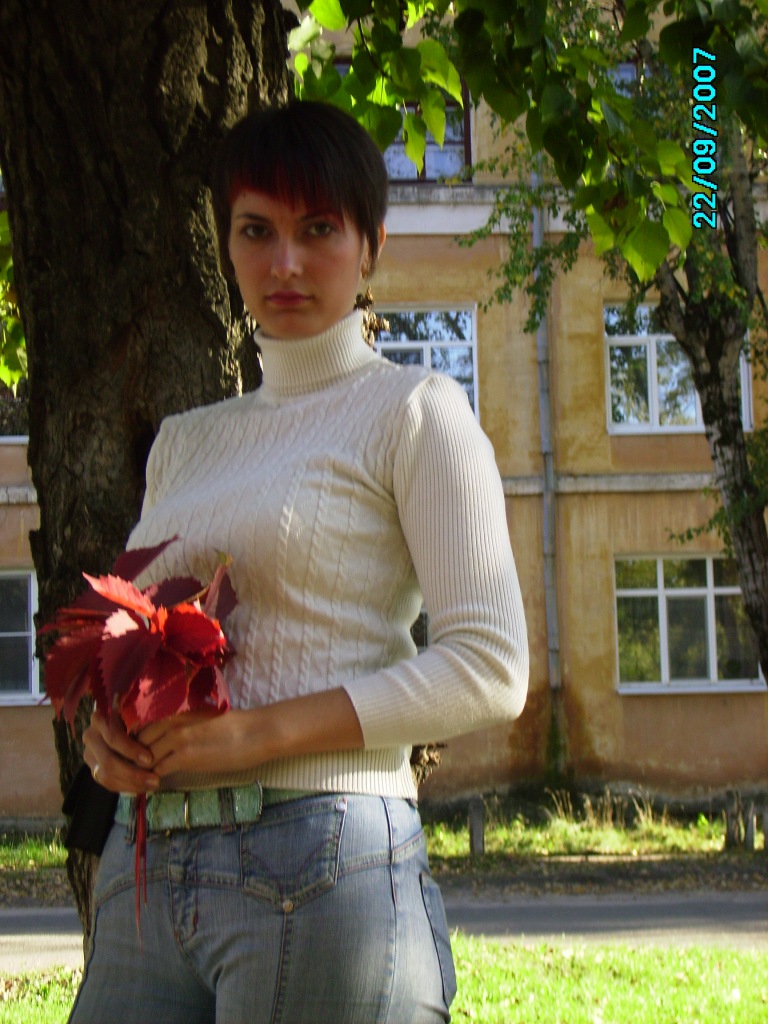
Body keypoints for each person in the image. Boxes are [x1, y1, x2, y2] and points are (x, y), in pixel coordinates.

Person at [71, 100, 529, 1024]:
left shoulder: (416, 411)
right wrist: (105, 735)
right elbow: (149, 639)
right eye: (257, 230)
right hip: (145, 866)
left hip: (323, 864)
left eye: (318, 228)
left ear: (371, 246)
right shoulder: (184, 442)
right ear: (227, 246)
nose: (284, 262)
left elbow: (491, 668)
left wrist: (257, 736)